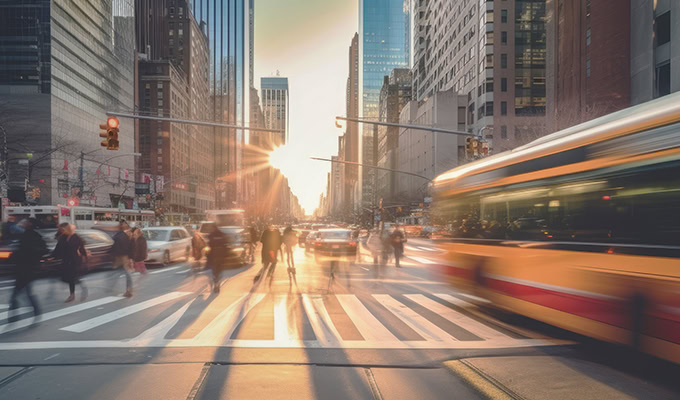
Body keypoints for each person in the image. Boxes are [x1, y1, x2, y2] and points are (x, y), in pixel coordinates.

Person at [7, 218, 47, 322]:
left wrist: (14, 256)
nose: (23, 223)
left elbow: (25, 251)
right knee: (24, 291)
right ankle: (32, 311)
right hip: (26, 268)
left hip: (26, 268)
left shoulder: (30, 235)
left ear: (30, 224)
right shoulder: (30, 235)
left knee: (19, 292)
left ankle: (15, 314)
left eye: (26, 222)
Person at [53, 223, 88, 303]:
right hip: (66, 260)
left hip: (75, 260)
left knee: (73, 277)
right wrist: (53, 256)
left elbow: (82, 248)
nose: (62, 231)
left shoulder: (76, 238)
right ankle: (72, 294)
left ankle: (76, 292)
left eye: (64, 229)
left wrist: (85, 258)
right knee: (69, 278)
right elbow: (58, 248)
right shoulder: (63, 238)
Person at [110, 220, 133, 297]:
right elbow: (130, 247)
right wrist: (130, 258)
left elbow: (113, 247)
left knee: (116, 272)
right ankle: (128, 290)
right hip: (124, 256)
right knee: (126, 273)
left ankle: (112, 287)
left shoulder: (116, 236)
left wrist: (113, 255)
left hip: (119, 257)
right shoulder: (126, 236)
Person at [206, 223, 227, 293]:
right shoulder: (221, 234)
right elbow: (225, 244)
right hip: (221, 255)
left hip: (213, 255)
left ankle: (215, 281)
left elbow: (209, 244)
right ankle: (217, 282)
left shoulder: (211, 235)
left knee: (212, 269)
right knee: (219, 270)